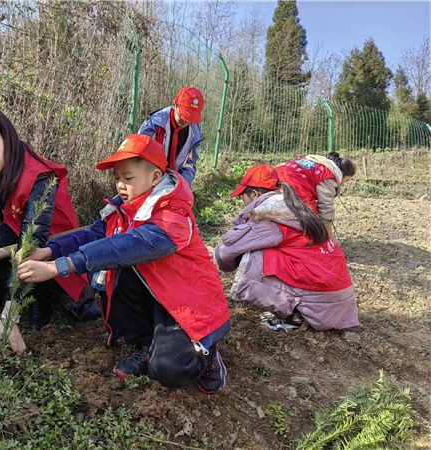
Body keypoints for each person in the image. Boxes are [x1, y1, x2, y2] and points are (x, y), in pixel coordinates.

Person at [15, 134, 232, 394]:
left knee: (169, 369)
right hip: (158, 297)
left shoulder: (173, 216)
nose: (120, 184)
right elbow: (95, 234)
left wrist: (57, 267)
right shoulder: (123, 209)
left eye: (128, 178)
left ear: (154, 177)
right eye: (117, 178)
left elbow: (127, 244)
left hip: (185, 304)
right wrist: (48, 250)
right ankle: (146, 346)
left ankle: (206, 356)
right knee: (118, 271)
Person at [0, 105, 100, 330]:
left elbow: (32, 242)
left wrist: (9, 314)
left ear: (6, 138)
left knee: (2, 237)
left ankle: (37, 298)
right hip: (9, 237)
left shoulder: (39, 176)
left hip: (49, 247)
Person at [212, 165, 359, 331]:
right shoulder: (294, 207)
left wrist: (216, 256)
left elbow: (225, 253)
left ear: (254, 194)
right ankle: (298, 310)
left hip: (322, 299)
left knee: (253, 255)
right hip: (336, 296)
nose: (242, 202)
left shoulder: (269, 215)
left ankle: (295, 316)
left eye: (242, 196)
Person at [275, 152, 356, 241]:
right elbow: (325, 208)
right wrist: (331, 237)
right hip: (293, 182)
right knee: (308, 218)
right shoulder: (328, 176)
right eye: (346, 180)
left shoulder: (316, 166)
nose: (343, 184)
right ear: (341, 173)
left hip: (276, 175)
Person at [138, 87, 204, 185]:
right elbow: (139, 155)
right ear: (174, 105)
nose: (185, 120)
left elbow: (190, 164)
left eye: (190, 117)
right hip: (150, 179)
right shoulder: (155, 123)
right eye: (183, 115)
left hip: (176, 181)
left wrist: (181, 184)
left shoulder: (194, 134)